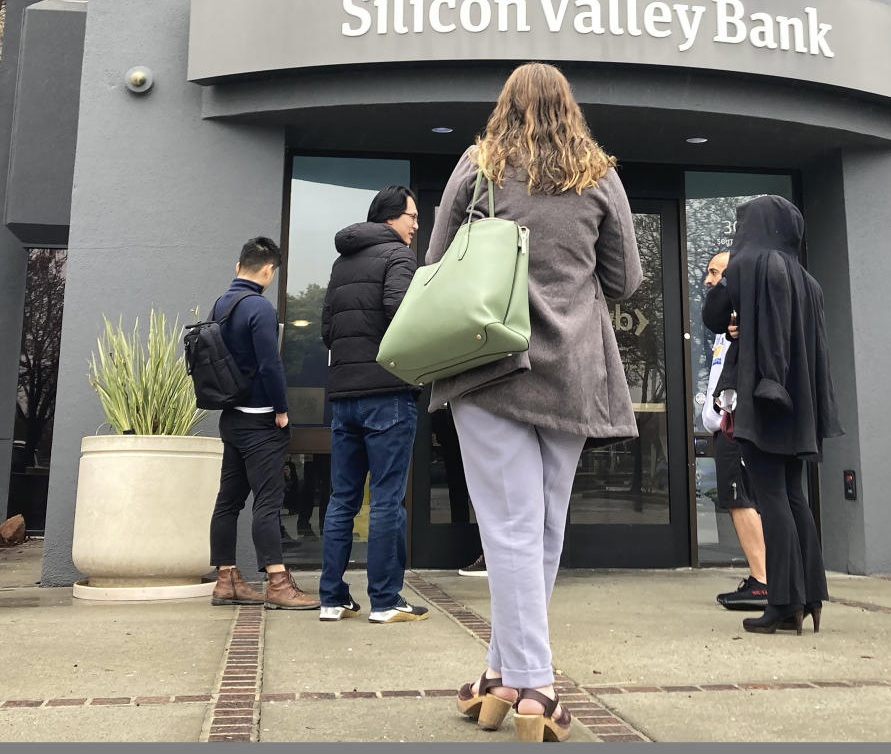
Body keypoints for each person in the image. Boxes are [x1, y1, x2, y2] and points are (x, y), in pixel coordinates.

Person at [436, 62, 642, 743]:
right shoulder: (599, 175)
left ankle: (534, 685)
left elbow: (436, 262)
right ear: (568, 107)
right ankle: (502, 675)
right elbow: (627, 279)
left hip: (488, 366)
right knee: (542, 527)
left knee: (509, 528)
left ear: (505, 106)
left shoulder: (479, 166)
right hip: (573, 370)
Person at [703, 195, 842, 635]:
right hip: (800, 403)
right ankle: (810, 595)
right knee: (794, 494)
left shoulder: (748, 267)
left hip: (763, 396)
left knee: (769, 496)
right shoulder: (806, 280)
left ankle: (782, 601)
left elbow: (711, 315)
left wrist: (728, 294)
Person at [318, 185, 429, 625]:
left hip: (344, 396)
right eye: (412, 217)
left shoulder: (342, 263)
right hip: (388, 394)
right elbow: (401, 311)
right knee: (386, 500)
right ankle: (385, 600)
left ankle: (332, 598)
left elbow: (327, 330)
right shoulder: (399, 257)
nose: (416, 225)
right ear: (389, 218)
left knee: (342, 499)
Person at [208, 236, 320, 610]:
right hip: (259, 421)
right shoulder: (260, 308)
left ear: (238, 266)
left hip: (231, 419)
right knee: (268, 503)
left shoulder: (221, 304)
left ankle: (226, 579)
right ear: (269, 270)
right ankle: (277, 581)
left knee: (228, 501)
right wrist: (282, 409)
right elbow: (271, 365)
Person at [701, 250, 768, 610]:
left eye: (716, 273)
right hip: (725, 426)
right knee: (740, 500)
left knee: (740, 500)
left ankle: (762, 580)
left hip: (735, 427)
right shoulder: (724, 327)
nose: (710, 280)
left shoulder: (744, 323)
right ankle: (765, 577)